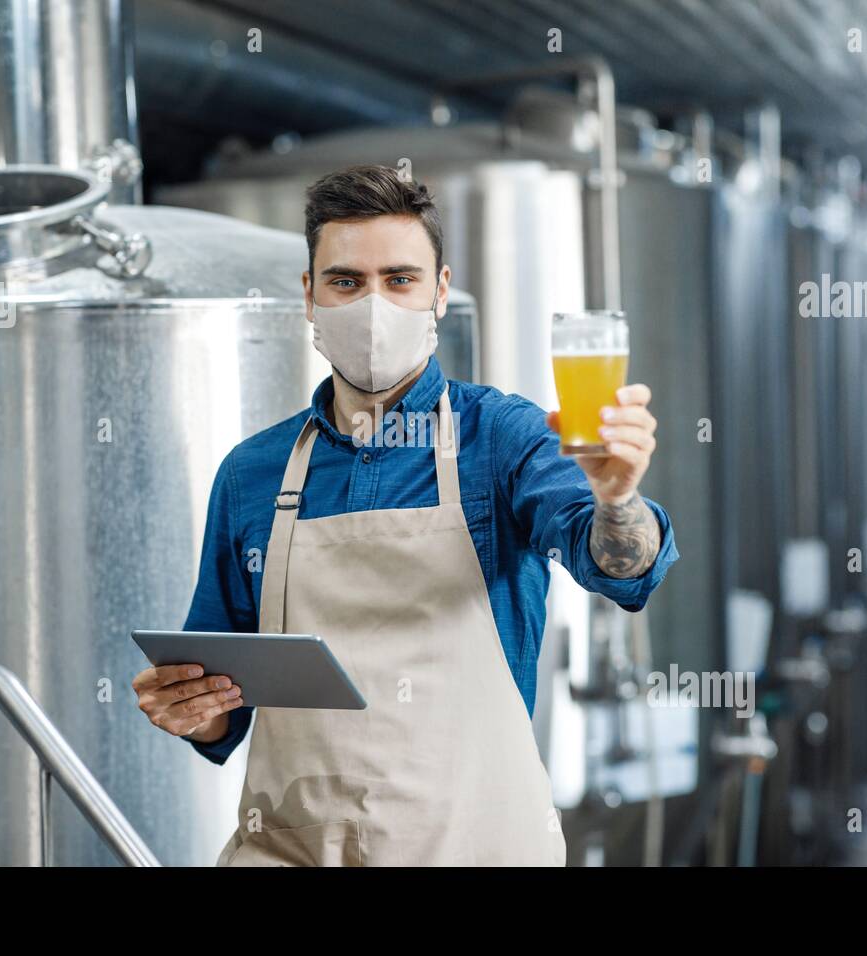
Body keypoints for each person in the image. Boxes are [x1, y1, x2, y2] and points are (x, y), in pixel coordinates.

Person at [133, 164, 678, 866]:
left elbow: (618, 570)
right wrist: (193, 714)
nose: (372, 307)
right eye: (345, 282)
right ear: (308, 295)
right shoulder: (253, 474)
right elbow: (220, 700)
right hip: (295, 851)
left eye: (399, 279)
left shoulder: (504, 438)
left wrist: (618, 497)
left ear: (440, 292)